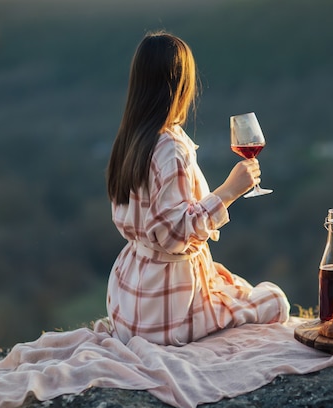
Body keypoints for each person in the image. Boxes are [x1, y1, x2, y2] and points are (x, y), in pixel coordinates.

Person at [104, 31, 290, 346]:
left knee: (232, 282)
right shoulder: (170, 148)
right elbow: (173, 235)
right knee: (276, 301)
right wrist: (229, 191)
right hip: (167, 312)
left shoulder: (130, 139)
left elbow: (151, 225)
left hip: (130, 302)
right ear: (180, 85)